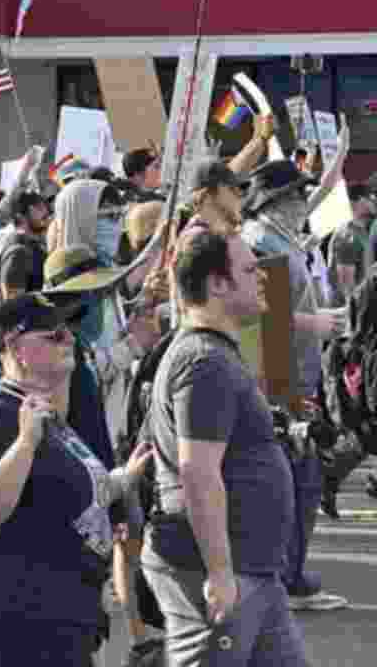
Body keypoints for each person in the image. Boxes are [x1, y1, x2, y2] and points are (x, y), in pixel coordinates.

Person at [0, 293, 154, 666]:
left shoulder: (42, 412)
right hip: (26, 614)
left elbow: (63, 495)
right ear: (17, 348)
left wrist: (122, 480)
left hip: (60, 613)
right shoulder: (1, 415)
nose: (69, 341)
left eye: (68, 333)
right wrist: (25, 443)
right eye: (54, 336)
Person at [143, 228, 307, 667]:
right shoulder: (205, 362)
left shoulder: (213, 354)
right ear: (217, 284)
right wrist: (219, 573)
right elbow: (197, 473)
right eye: (250, 269)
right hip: (221, 568)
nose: (263, 276)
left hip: (252, 566)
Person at [240, 160, 349, 613]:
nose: (304, 201)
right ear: (274, 201)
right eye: (296, 195)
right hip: (276, 374)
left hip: (293, 369)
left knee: (300, 478)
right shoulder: (260, 241)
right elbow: (258, 313)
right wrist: (314, 322)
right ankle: (287, 578)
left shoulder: (279, 236)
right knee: (295, 480)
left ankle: (289, 574)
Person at [0, 192, 51, 299]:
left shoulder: (34, 245)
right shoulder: (18, 252)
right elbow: (13, 302)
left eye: (44, 207)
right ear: (20, 216)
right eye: (38, 208)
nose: (45, 212)